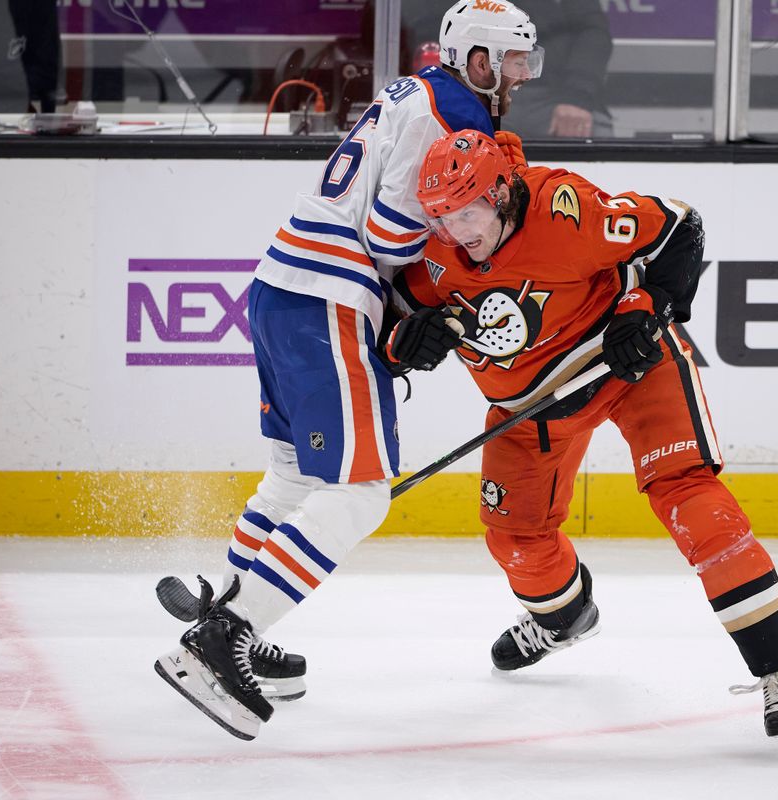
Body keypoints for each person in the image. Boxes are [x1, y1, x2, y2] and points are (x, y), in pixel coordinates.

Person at [152, 2, 543, 742]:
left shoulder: (417, 89)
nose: (521, 76)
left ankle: (237, 618)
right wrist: (417, 310)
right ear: (480, 60)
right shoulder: (454, 113)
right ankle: (221, 638)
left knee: (297, 476)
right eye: (513, 62)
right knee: (362, 493)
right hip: (330, 297)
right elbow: (394, 231)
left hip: (283, 284)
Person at [384, 129, 778, 758]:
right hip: (528, 409)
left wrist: (648, 307)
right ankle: (563, 620)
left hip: (628, 370)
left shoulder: (567, 211)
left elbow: (680, 227)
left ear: (501, 192)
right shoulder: (432, 253)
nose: (457, 230)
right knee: (515, 539)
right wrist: (406, 342)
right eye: (443, 217)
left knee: (692, 501)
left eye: (468, 210)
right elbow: (390, 327)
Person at [400, 0, 612, 139]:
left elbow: (593, 32)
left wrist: (577, 97)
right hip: (475, 88)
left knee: (599, 134)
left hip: (553, 94)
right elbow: (420, 27)